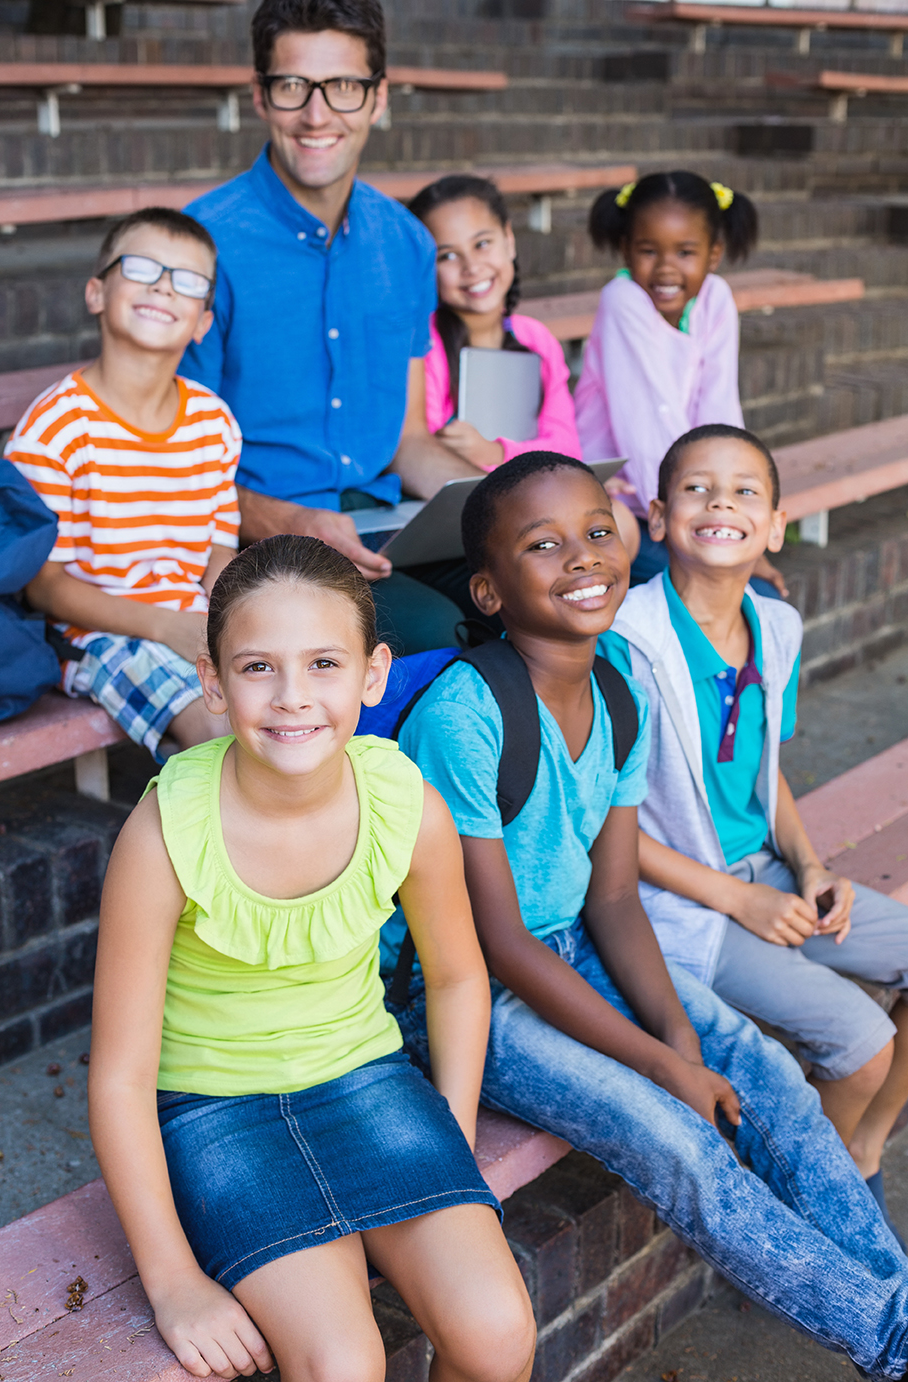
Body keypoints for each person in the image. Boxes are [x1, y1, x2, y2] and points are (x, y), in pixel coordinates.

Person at [386, 450, 908, 1380]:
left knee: (770, 1076)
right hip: (465, 988)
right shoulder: (464, 715)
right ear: (491, 590)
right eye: (543, 546)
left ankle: (894, 1312)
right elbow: (497, 944)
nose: (583, 557)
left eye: (597, 531)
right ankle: (889, 1341)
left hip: (579, 942)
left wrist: (677, 1027)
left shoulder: (620, 679)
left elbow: (614, 893)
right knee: (680, 1144)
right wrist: (665, 1063)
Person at [89, 533, 536, 1382]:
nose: (292, 697)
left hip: (366, 1079)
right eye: (257, 668)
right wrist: (174, 1279)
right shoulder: (164, 834)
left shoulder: (405, 802)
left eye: (324, 663)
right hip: (217, 1109)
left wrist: (454, 1129)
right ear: (212, 683)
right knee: (340, 1364)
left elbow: (456, 974)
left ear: (372, 675)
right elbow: (117, 1076)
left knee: (498, 1335)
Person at [598, 422, 908, 1242]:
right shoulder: (626, 643)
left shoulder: (777, 625)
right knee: (862, 1042)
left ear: (774, 526)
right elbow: (601, 825)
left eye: (745, 491)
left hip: (766, 875)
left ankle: (861, 1153)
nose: (720, 503)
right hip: (680, 902)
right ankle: (817, 1208)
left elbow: (764, 769)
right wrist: (740, 899)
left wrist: (809, 868)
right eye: (697, 488)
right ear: (658, 518)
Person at [180, 0, 489, 655]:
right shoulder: (202, 245)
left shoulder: (405, 240)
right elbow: (176, 465)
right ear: (261, 96)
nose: (317, 116)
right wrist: (288, 519)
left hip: (384, 523)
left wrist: (511, 504)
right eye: (294, 87)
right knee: (437, 637)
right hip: (260, 538)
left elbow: (408, 439)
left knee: (543, 593)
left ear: (377, 99)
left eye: (344, 88)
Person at [7, 207, 240, 762]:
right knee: (218, 728)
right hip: (93, 634)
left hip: (192, 617)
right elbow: (45, 588)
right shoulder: (55, 429)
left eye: (187, 281)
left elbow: (218, 551)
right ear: (96, 293)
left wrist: (241, 615)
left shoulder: (213, 421)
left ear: (202, 321)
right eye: (141, 268)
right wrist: (167, 626)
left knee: (290, 697)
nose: (162, 285)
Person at [406, 173, 640, 588]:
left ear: (509, 241)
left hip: (535, 502)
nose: (472, 266)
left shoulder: (535, 339)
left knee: (620, 521)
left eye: (482, 244)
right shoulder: (424, 344)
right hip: (458, 516)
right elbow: (427, 447)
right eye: (447, 256)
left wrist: (494, 450)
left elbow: (565, 445)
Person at [573, 170, 785, 599]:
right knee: (736, 595)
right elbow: (648, 428)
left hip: (685, 496)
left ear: (714, 254)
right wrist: (694, 519)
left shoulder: (715, 298)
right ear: (626, 250)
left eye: (685, 252)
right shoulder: (623, 300)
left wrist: (742, 515)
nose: (666, 268)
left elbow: (721, 411)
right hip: (627, 503)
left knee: (758, 596)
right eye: (648, 250)